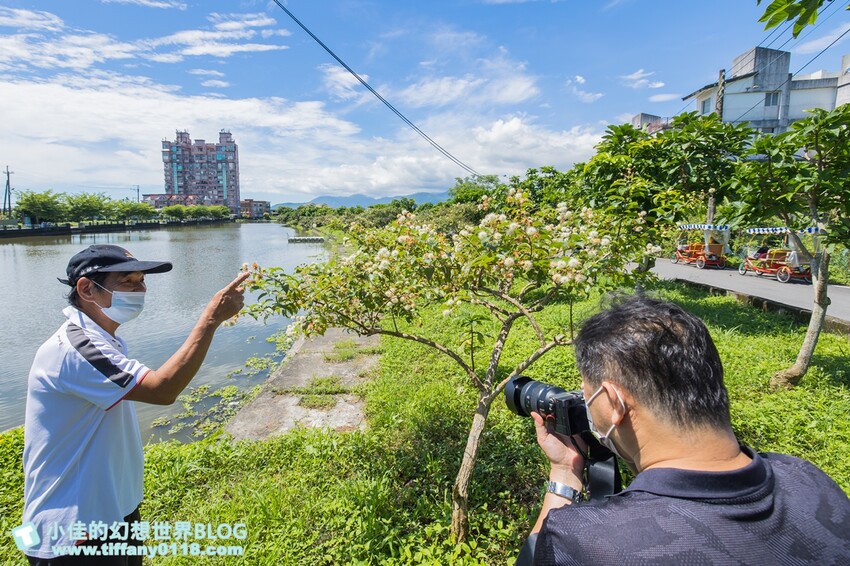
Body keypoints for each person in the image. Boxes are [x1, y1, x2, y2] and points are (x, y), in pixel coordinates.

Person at [528, 296, 850, 565]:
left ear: (614, 403)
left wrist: (564, 478)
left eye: (586, 395)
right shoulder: (813, 481)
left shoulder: (584, 541)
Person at [21, 244, 249, 564]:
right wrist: (210, 319)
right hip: (73, 530)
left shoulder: (104, 338)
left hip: (114, 510)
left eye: (142, 280)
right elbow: (161, 390)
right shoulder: (74, 346)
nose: (140, 289)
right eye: (128, 281)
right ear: (87, 288)